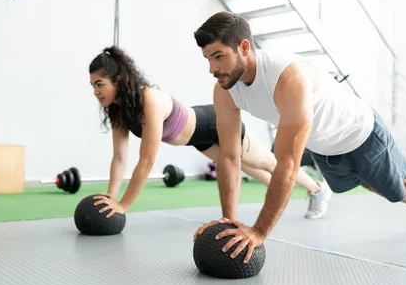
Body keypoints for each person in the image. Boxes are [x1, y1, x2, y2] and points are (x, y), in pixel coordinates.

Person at [191, 11, 406, 263]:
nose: (212, 69)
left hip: (359, 132)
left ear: (243, 47)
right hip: (325, 146)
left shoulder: (288, 78)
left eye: (218, 56)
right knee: (372, 185)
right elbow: (229, 154)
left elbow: (287, 165)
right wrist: (229, 219)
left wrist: (258, 231)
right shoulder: (225, 89)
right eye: (208, 59)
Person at [87, 45, 332, 218]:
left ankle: (318, 189)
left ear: (118, 80)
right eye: (93, 86)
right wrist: (111, 196)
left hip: (212, 124)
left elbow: (147, 160)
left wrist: (123, 205)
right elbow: (119, 158)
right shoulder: (118, 110)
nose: (96, 91)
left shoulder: (149, 100)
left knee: (269, 164)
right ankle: (287, 195)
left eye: (100, 84)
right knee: (248, 168)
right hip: (198, 139)